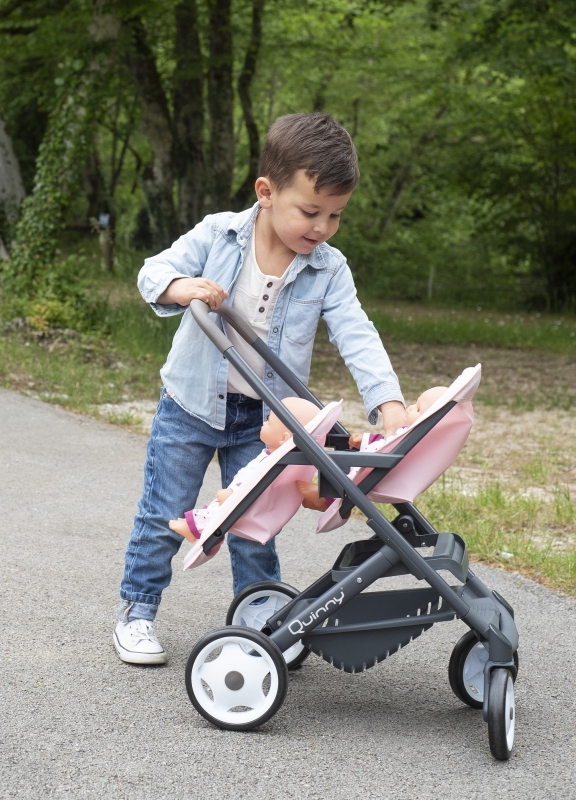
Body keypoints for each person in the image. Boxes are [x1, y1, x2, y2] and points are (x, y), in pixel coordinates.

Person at [114, 112, 407, 666]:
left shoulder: (327, 268)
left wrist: (387, 405)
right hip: (190, 407)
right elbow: (153, 270)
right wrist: (180, 287)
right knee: (164, 513)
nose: (322, 227)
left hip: (266, 417)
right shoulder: (217, 234)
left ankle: (260, 616)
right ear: (267, 193)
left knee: (254, 521)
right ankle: (138, 609)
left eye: (336, 216)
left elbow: (356, 333)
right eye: (311, 212)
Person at [169, 397, 320, 542]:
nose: (264, 423)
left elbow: (258, 486)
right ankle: (198, 528)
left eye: (269, 421)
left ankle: (192, 528)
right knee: (216, 508)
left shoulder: (276, 464)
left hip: (241, 499)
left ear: (283, 438)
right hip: (239, 494)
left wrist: (234, 496)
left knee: (218, 511)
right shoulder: (274, 457)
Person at [296, 386, 447, 512]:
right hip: (375, 466)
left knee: (342, 474)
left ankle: (323, 497)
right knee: (346, 472)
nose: (411, 407)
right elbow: (386, 443)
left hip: (373, 471)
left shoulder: (414, 436)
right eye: (415, 403)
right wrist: (364, 440)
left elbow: (386, 446)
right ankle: (325, 502)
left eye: (418, 409)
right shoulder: (408, 433)